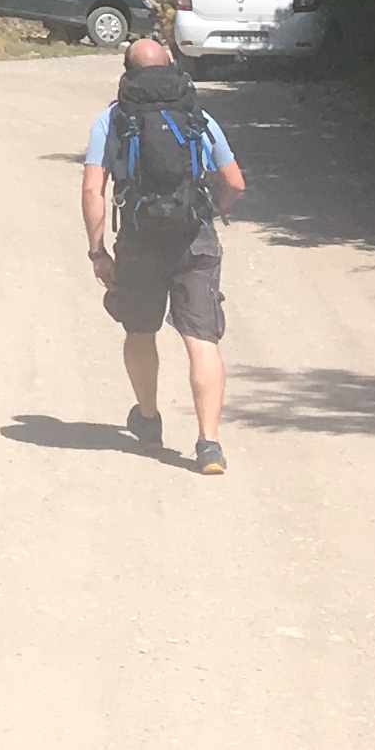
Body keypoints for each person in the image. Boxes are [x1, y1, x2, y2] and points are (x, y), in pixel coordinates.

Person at [80, 32, 247, 475]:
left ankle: (149, 420)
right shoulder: (197, 115)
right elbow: (235, 182)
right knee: (202, 341)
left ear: (127, 72)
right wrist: (209, 211)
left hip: (139, 241)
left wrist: (98, 251)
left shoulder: (112, 119)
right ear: (171, 67)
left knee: (140, 331)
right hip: (194, 236)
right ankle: (209, 444)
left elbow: (93, 189)